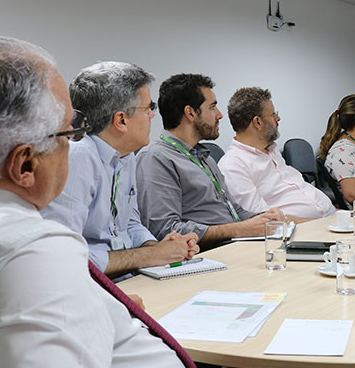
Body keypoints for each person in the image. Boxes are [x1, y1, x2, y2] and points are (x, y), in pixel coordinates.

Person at [0, 36, 189, 366]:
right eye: (70, 131)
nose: (76, 141)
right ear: (25, 164)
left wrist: (153, 251)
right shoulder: (38, 249)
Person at [41, 62, 199, 280]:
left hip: (129, 279)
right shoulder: (78, 158)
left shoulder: (126, 155)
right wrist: (149, 255)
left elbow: (129, 225)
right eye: (148, 109)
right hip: (96, 287)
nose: (153, 116)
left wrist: (166, 249)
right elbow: (64, 254)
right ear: (121, 120)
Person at [136, 74, 284, 247]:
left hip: (235, 245)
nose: (219, 115)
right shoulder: (156, 158)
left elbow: (234, 211)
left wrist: (264, 218)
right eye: (212, 107)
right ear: (190, 113)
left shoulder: (204, 157)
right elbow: (164, 229)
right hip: (209, 255)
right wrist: (238, 229)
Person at [218, 87, 335, 218]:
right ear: (257, 122)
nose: (278, 118)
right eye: (273, 114)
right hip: (305, 231)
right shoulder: (233, 166)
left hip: (329, 218)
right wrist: (322, 225)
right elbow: (263, 221)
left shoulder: (271, 150)